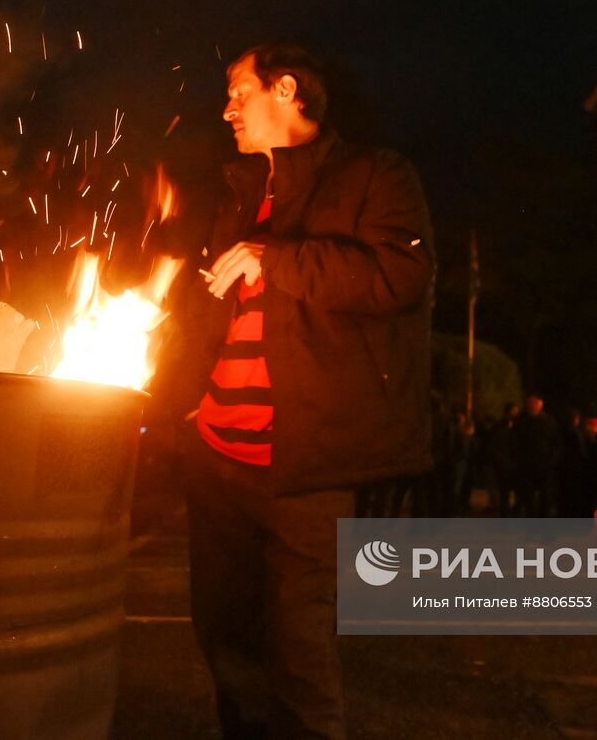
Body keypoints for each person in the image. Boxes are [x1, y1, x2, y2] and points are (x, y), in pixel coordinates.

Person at [149, 44, 434, 739]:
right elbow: (211, 316)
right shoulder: (243, 193)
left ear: (285, 89)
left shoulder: (375, 175)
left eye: (238, 92)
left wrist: (274, 259)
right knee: (229, 650)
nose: (227, 110)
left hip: (307, 466)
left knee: (301, 660)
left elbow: (397, 278)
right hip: (217, 456)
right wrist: (176, 402)